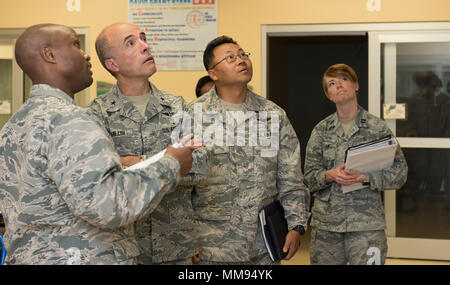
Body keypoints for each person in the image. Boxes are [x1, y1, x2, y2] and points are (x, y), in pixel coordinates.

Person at [0, 23, 198, 265]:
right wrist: (170, 164)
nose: (86, 54)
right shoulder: (70, 120)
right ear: (49, 55)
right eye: (75, 44)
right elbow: (107, 204)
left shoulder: (13, 127)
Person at [186, 35, 310, 264]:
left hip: (262, 245)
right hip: (211, 247)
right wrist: (185, 236)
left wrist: (296, 225)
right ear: (213, 73)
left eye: (243, 54)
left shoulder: (272, 115)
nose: (241, 60)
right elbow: (181, 184)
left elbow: (290, 176)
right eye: (230, 58)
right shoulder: (192, 116)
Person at [89, 22, 205, 265]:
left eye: (143, 38)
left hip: (175, 245)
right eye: (131, 43)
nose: (145, 46)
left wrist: (137, 163)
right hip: (121, 248)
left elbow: (201, 166)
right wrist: (171, 161)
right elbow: (99, 178)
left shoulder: (176, 106)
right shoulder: (95, 114)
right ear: (113, 65)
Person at [303, 63, 408, 265]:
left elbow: (400, 172)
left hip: (366, 225)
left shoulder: (377, 128)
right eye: (332, 83)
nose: (339, 86)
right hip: (327, 227)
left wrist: (366, 177)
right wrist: (330, 175)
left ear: (356, 85)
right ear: (328, 95)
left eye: (344, 79)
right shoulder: (321, 130)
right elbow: (308, 176)